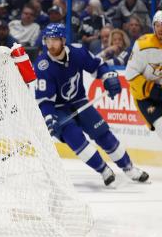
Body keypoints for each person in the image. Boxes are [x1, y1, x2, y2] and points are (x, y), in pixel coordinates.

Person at [34, 23, 149, 186]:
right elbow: (45, 100)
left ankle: (129, 168)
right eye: (47, 40)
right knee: (74, 137)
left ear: (63, 40)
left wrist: (108, 77)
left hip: (80, 101)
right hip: (58, 109)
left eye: (54, 40)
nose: (50, 45)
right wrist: (48, 117)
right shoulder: (42, 65)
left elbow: (98, 66)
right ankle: (103, 170)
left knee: (104, 135)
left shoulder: (78, 52)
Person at [125, 11, 162, 141]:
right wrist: (151, 89)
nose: (160, 28)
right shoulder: (143, 45)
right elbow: (130, 74)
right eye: (158, 25)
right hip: (145, 97)